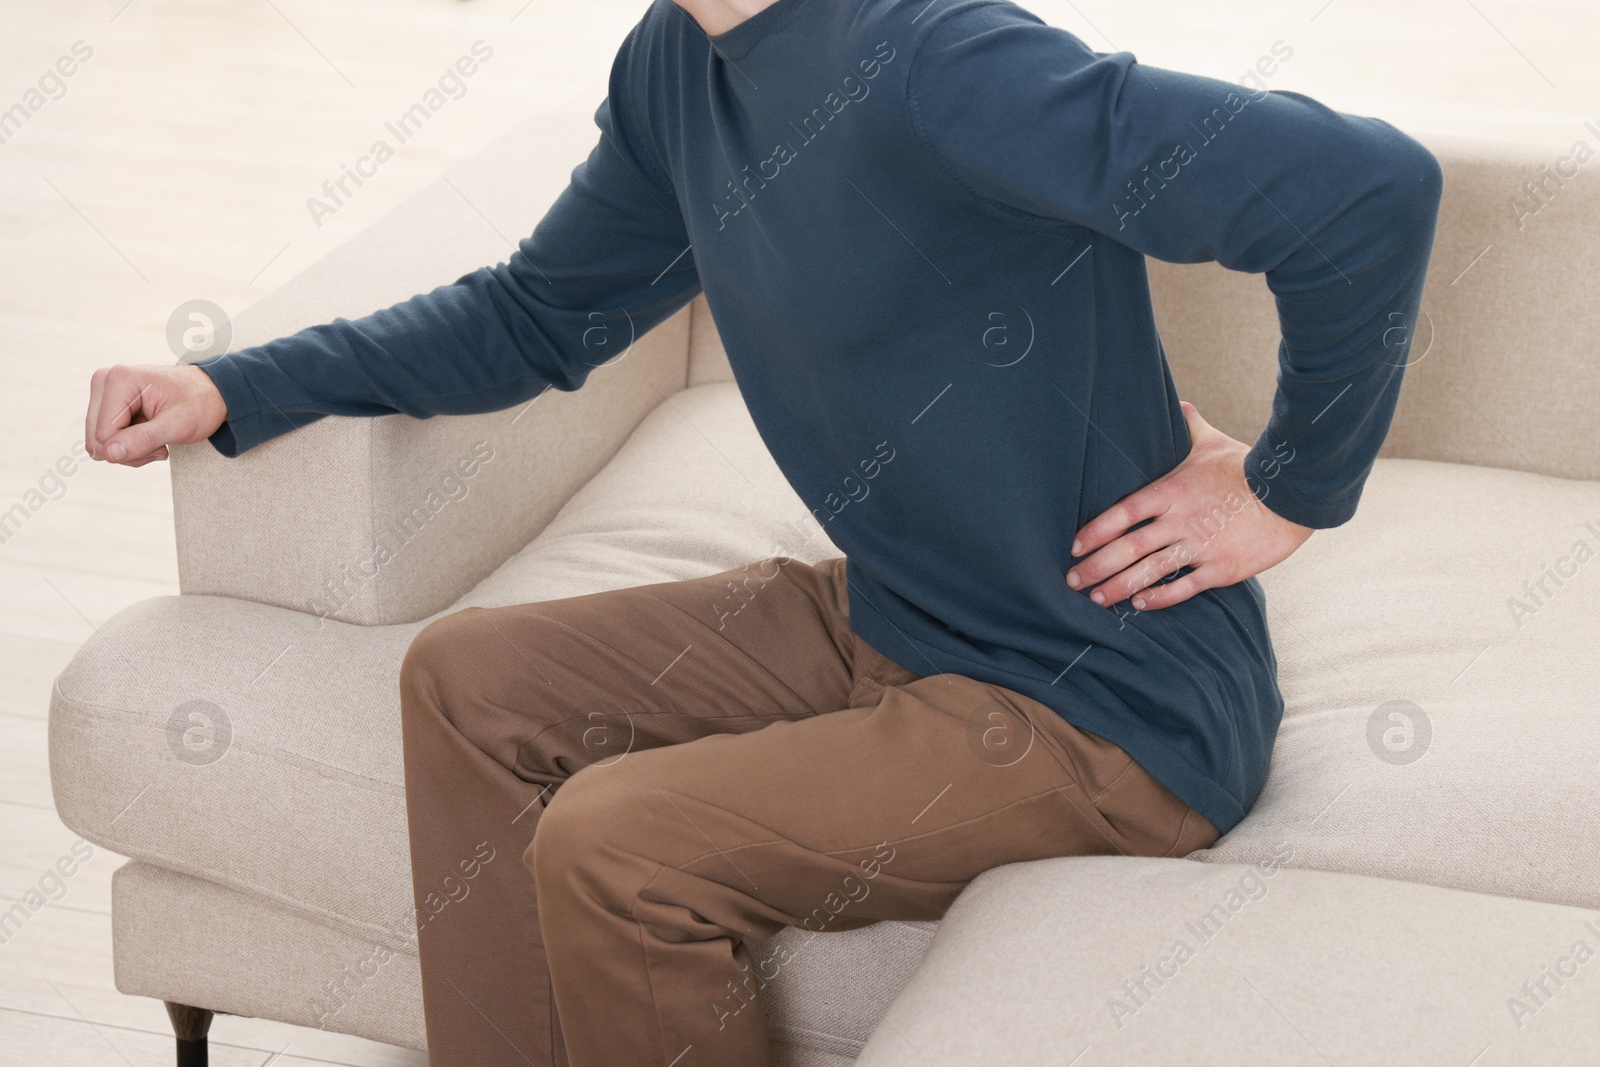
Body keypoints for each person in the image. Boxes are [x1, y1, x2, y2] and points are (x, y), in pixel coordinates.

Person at [82, 0, 1443, 1063]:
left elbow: (1364, 190)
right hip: (903, 619)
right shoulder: (678, 69)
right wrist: (235, 386)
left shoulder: (937, 60)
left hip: (1110, 705)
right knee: (466, 679)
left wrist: (1286, 489)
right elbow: (535, 317)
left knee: (615, 842)